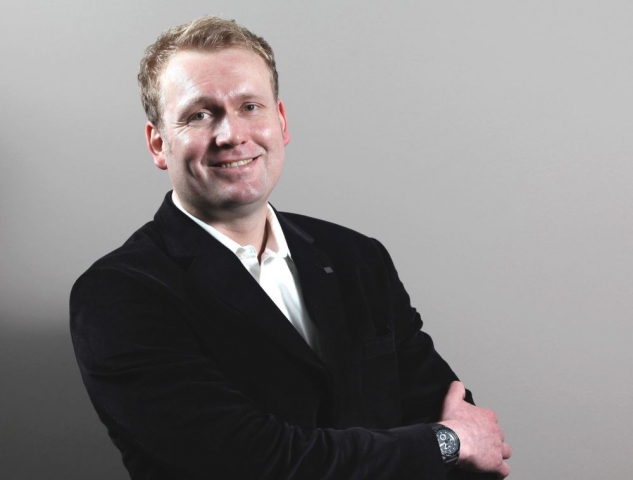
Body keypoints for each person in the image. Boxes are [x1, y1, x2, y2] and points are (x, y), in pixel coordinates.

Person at [70, 15, 511, 480]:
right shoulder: (117, 295)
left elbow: (460, 421)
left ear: (280, 121)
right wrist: (444, 443)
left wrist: (451, 442)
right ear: (158, 144)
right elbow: (259, 465)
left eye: (250, 106)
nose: (231, 134)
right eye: (199, 114)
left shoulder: (358, 258)